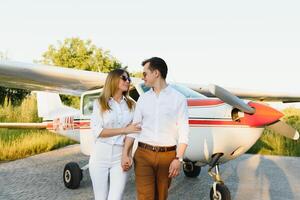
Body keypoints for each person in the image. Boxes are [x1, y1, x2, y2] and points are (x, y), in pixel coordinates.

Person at [122, 57, 189, 200]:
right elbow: (134, 129)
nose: (142, 77)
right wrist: (125, 153)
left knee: (161, 197)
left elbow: (184, 133)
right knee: (145, 196)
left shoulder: (179, 99)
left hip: (168, 156)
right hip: (143, 155)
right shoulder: (143, 99)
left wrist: (179, 158)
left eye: (145, 73)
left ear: (156, 73)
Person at [89, 68, 141, 200]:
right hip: (99, 156)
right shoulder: (99, 103)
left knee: (115, 198)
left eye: (128, 79)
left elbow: (133, 132)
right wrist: (124, 130)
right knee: (100, 197)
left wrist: (127, 154)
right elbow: (98, 131)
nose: (127, 81)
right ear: (113, 80)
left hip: (120, 157)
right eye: (124, 78)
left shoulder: (132, 105)